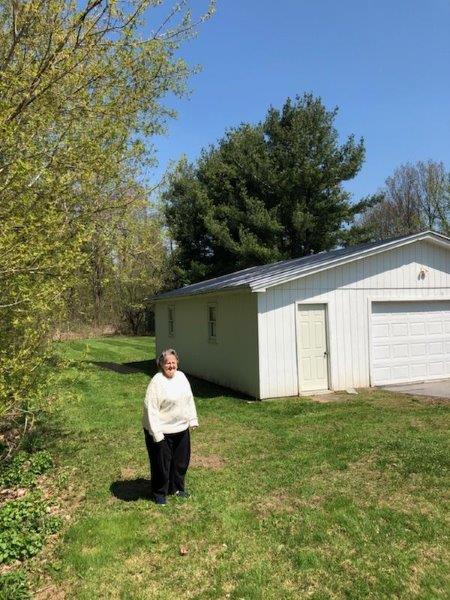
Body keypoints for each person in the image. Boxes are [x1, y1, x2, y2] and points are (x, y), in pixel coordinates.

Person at [142, 348, 198, 505]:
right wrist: (156, 433)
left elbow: (188, 399)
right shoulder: (157, 382)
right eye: (168, 363)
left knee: (181, 462)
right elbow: (151, 409)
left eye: (174, 362)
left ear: (177, 363)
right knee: (161, 464)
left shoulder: (182, 377)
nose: (171, 366)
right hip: (161, 430)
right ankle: (160, 493)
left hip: (180, 428)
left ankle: (177, 488)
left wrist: (192, 419)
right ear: (161, 364)